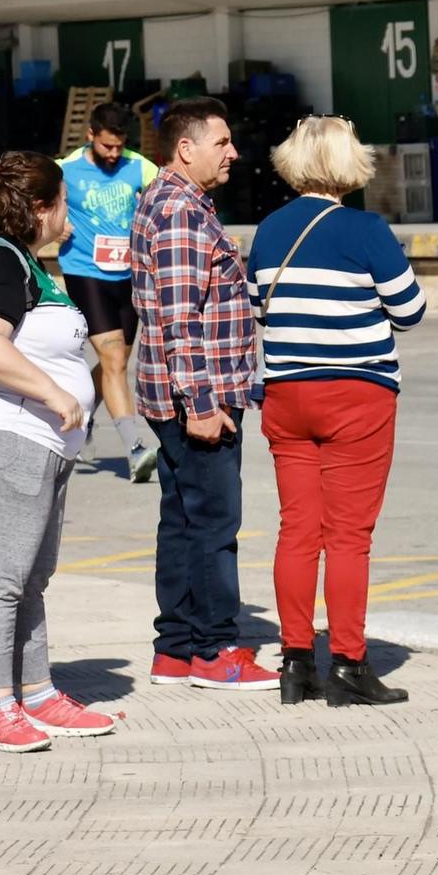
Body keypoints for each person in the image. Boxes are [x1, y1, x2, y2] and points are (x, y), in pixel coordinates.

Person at [0, 153, 120, 751]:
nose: (71, 211)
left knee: (29, 578)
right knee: (0, 579)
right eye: (65, 200)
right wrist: (51, 392)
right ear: (41, 208)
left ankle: (38, 694)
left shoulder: (25, 263)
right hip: (2, 440)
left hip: (36, 443)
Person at [250, 116, 428, 708]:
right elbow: (410, 310)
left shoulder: (270, 230)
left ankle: (295, 662)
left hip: (285, 394)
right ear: (349, 163)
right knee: (348, 535)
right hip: (357, 395)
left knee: (297, 529)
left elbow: (259, 305)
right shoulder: (365, 228)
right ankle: (349, 663)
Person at [131, 96, 280, 692]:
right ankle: (217, 649)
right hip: (199, 398)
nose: (234, 153)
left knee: (184, 522)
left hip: (190, 393)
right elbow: (178, 319)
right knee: (215, 523)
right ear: (185, 149)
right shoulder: (179, 213)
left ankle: (177, 649)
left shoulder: (177, 203)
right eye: (222, 142)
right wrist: (201, 405)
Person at [58, 101, 159, 482]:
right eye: (105, 147)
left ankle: (81, 420)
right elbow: (30, 202)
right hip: (86, 272)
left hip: (128, 276)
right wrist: (56, 224)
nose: (114, 154)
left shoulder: (139, 165)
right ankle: (135, 450)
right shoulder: (65, 169)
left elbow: (166, 199)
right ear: (90, 137)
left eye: (119, 147)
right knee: (114, 358)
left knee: (114, 363)